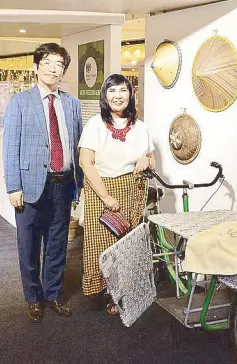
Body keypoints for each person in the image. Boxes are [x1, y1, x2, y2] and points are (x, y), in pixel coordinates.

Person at [3, 43, 83, 323]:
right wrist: (13, 186)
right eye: (48, 62)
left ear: (63, 71)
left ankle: (53, 294)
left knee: (58, 242)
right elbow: (10, 146)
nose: (53, 68)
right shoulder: (20, 102)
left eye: (59, 64)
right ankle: (33, 298)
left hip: (63, 183)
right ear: (36, 67)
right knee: (28, 244)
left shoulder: (72, 104)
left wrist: (78, 184)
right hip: (30, 184)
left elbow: (76, 147)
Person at [79, 74, 155, 314]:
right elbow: (85, 163)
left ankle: (118, 293)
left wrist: (146, 158)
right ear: (105, 96)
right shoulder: (95, 124)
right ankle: (102, 288)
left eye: (122, 90)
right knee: (101, 244)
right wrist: (106, 197)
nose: (118, 96)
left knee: (125, 244)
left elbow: (151, 159)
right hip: (99, 188)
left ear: (130, 94)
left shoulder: (140, 126)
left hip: (131, 188)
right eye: (112, 91)